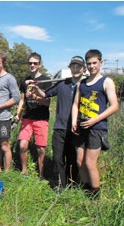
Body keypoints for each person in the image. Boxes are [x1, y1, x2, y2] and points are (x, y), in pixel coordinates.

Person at [30, 56, 86, 189]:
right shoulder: (62, 84)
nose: (76, 69)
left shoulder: (86, 86)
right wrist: (36, 87)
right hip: (60, 128)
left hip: (76, 129)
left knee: (73, 159)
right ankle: (59, 185)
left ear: (83, 69)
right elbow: (45, 95)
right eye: (73, 66)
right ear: (70, 68)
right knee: (58, 158)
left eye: (78, 66)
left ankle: (73, 184)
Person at [71, 49, 118, 197]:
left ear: (100, 63)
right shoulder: (82, 83)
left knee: (90, 163)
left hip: (97, 128)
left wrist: (95, 120)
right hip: (81, 127)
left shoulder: (106, 82)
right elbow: (75, 104)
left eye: (94, 63)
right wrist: (74, 120)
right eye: (89, 63)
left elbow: (115, 106)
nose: (92, 66)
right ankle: (85, 190)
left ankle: (95, 195)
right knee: (80, 161)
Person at [14, 52, 51, 179]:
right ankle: (24, 172)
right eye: (30, 63)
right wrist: (18, 114)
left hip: (41, 118)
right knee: (22, 145)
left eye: (35, 63)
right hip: (27, 118)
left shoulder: (46, 80)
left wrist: (35, 95)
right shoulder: (26, 80)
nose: (32, 65)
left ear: (40, 64)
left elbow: (47, 102)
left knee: (41, 149)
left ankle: (41, 175)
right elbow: (22, 100)